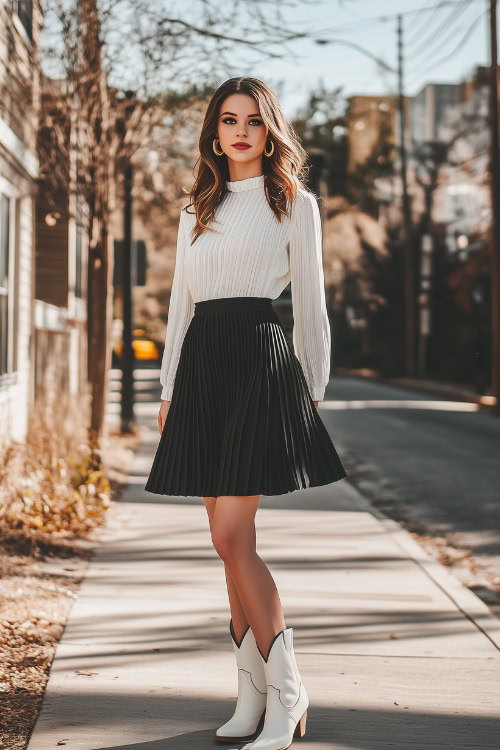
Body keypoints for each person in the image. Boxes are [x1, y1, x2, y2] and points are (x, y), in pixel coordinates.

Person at [145, 76, 347, 750]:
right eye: (228, 120)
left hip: (261, 363)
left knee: (234, 537)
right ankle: (250, 692)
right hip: (203, 366)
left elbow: (311, 308)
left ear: (270, 131)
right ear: (213, 132)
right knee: (226, 541)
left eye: (253, 121)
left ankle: (289, 695)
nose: (239, 131)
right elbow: (180, 308)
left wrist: (311, 388)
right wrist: (168, 386)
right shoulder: (195, 208)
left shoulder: (294, 203)